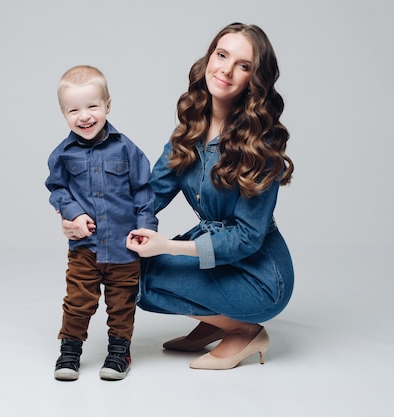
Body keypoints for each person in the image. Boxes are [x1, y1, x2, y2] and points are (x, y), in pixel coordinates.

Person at [64, 23, 294, 370]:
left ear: (254, 79)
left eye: (243, 65)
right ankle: (213, 321)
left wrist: (169, 247)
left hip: (259, 274)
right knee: (126, 272)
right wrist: (82, 220)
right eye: (222, 55)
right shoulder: (189, 131)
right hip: (213, 253)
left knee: (138, 281)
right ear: (209, 58)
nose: (227, 70)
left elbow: (247, 238)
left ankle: (244, 331)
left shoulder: (261, 144)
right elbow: (148, 193)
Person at [45, 65, 158, 381]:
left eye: (93, 106)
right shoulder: (63, 154)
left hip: (124, 246)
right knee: (78, 301)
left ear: (108, 105)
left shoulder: (126, 149)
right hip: (85, 248)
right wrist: (73, 214)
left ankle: (119, 351)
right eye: (74, 110)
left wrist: (146, 228)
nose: (85, 116)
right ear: (63, 113)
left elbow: (143, 191)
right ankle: (70, 351)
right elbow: (57, 189)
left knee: (121, 304)